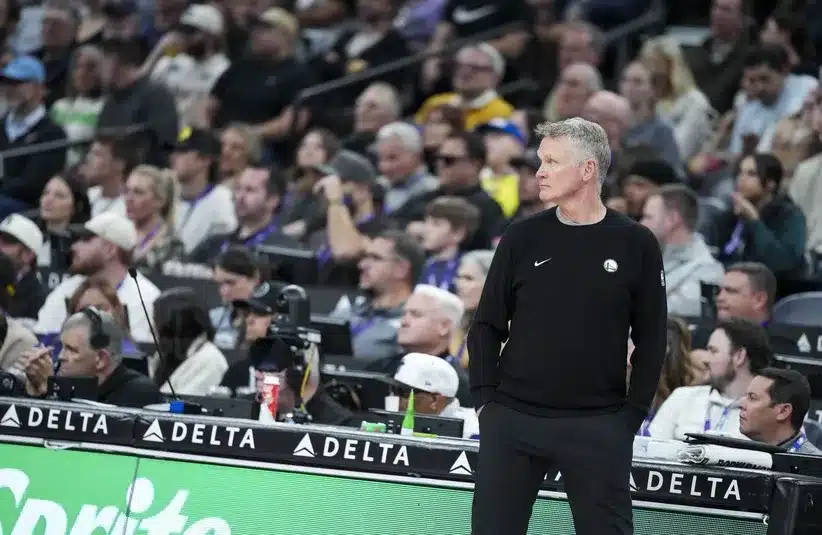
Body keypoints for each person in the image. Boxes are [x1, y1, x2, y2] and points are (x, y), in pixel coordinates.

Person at [468, 118, 667, 535]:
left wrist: (630, 416)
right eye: (541, 161)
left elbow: (652, 338)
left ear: (587, 169)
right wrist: (487, 402)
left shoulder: (636, 243)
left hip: (597, 424)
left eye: (551, 162)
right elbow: (486, 324)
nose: (538, 172)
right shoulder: (521, 237)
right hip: (513, 419)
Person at [649, 318, 772, 440]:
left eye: (713, 351)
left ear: (739, 356)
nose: (706, 360)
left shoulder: (765, 411)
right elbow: (650, 447)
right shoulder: (683, 396)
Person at [20, 308, 164, 408]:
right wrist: (35, 391)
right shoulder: (68, 383)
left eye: (71, 350)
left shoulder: (138, 393)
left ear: (101, 359)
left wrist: (51, 390)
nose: (61, 356)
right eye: (62, 347)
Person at [392, 352, 479, 439]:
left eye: (402, 392)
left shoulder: (473, 434)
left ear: (434, 400)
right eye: (393, 389)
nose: (394, 397)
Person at [740, 367, 822, 455]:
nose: (741, 404)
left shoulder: (815, 467)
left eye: (752, 398)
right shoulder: (740, 453)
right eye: (745, 396)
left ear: (783, 411)